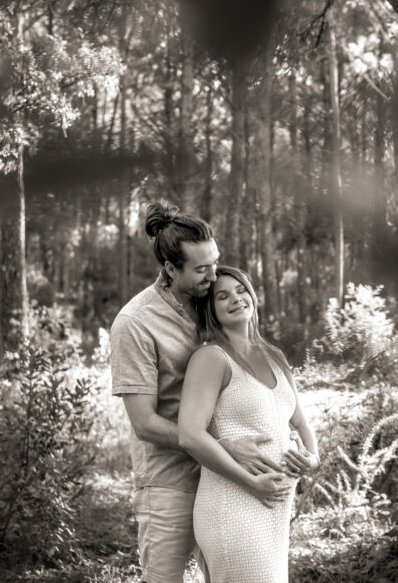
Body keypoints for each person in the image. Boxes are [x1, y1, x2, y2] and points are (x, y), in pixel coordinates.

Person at [110, 204, 286, 583]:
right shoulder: (135, 323)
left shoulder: (212, 300)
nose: (213, 274)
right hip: (170, 480)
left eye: (215, 262)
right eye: (201, 269)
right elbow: (144, 423)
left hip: (226, 479)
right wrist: (222, 445)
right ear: (171, 270)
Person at [179, 266, 320, 583]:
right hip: (232, 505)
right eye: (222, 296)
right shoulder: (210, 358)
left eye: (240, 289)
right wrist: (249, 481)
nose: (235, 299)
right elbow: (189, 435)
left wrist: (313, 457)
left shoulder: (274, 355)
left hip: (275, 508)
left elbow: (299, 420)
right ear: (210, 309)